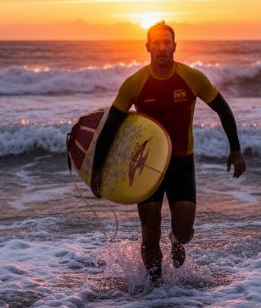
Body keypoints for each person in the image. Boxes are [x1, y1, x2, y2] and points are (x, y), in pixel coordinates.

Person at [91, 21, 246, 284]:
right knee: (150, 233)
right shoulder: (135, 83)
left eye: (166, 42)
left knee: (184, 230)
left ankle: (176, 241)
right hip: (145, 167)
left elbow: (222, 108)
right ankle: (156, 289)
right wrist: (97, 168)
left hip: (181, 164)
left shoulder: (192, 78)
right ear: (147, 47)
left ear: (174, 46)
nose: (162, 47)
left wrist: (235, 149)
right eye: (156, 42)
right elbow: (111, 126)